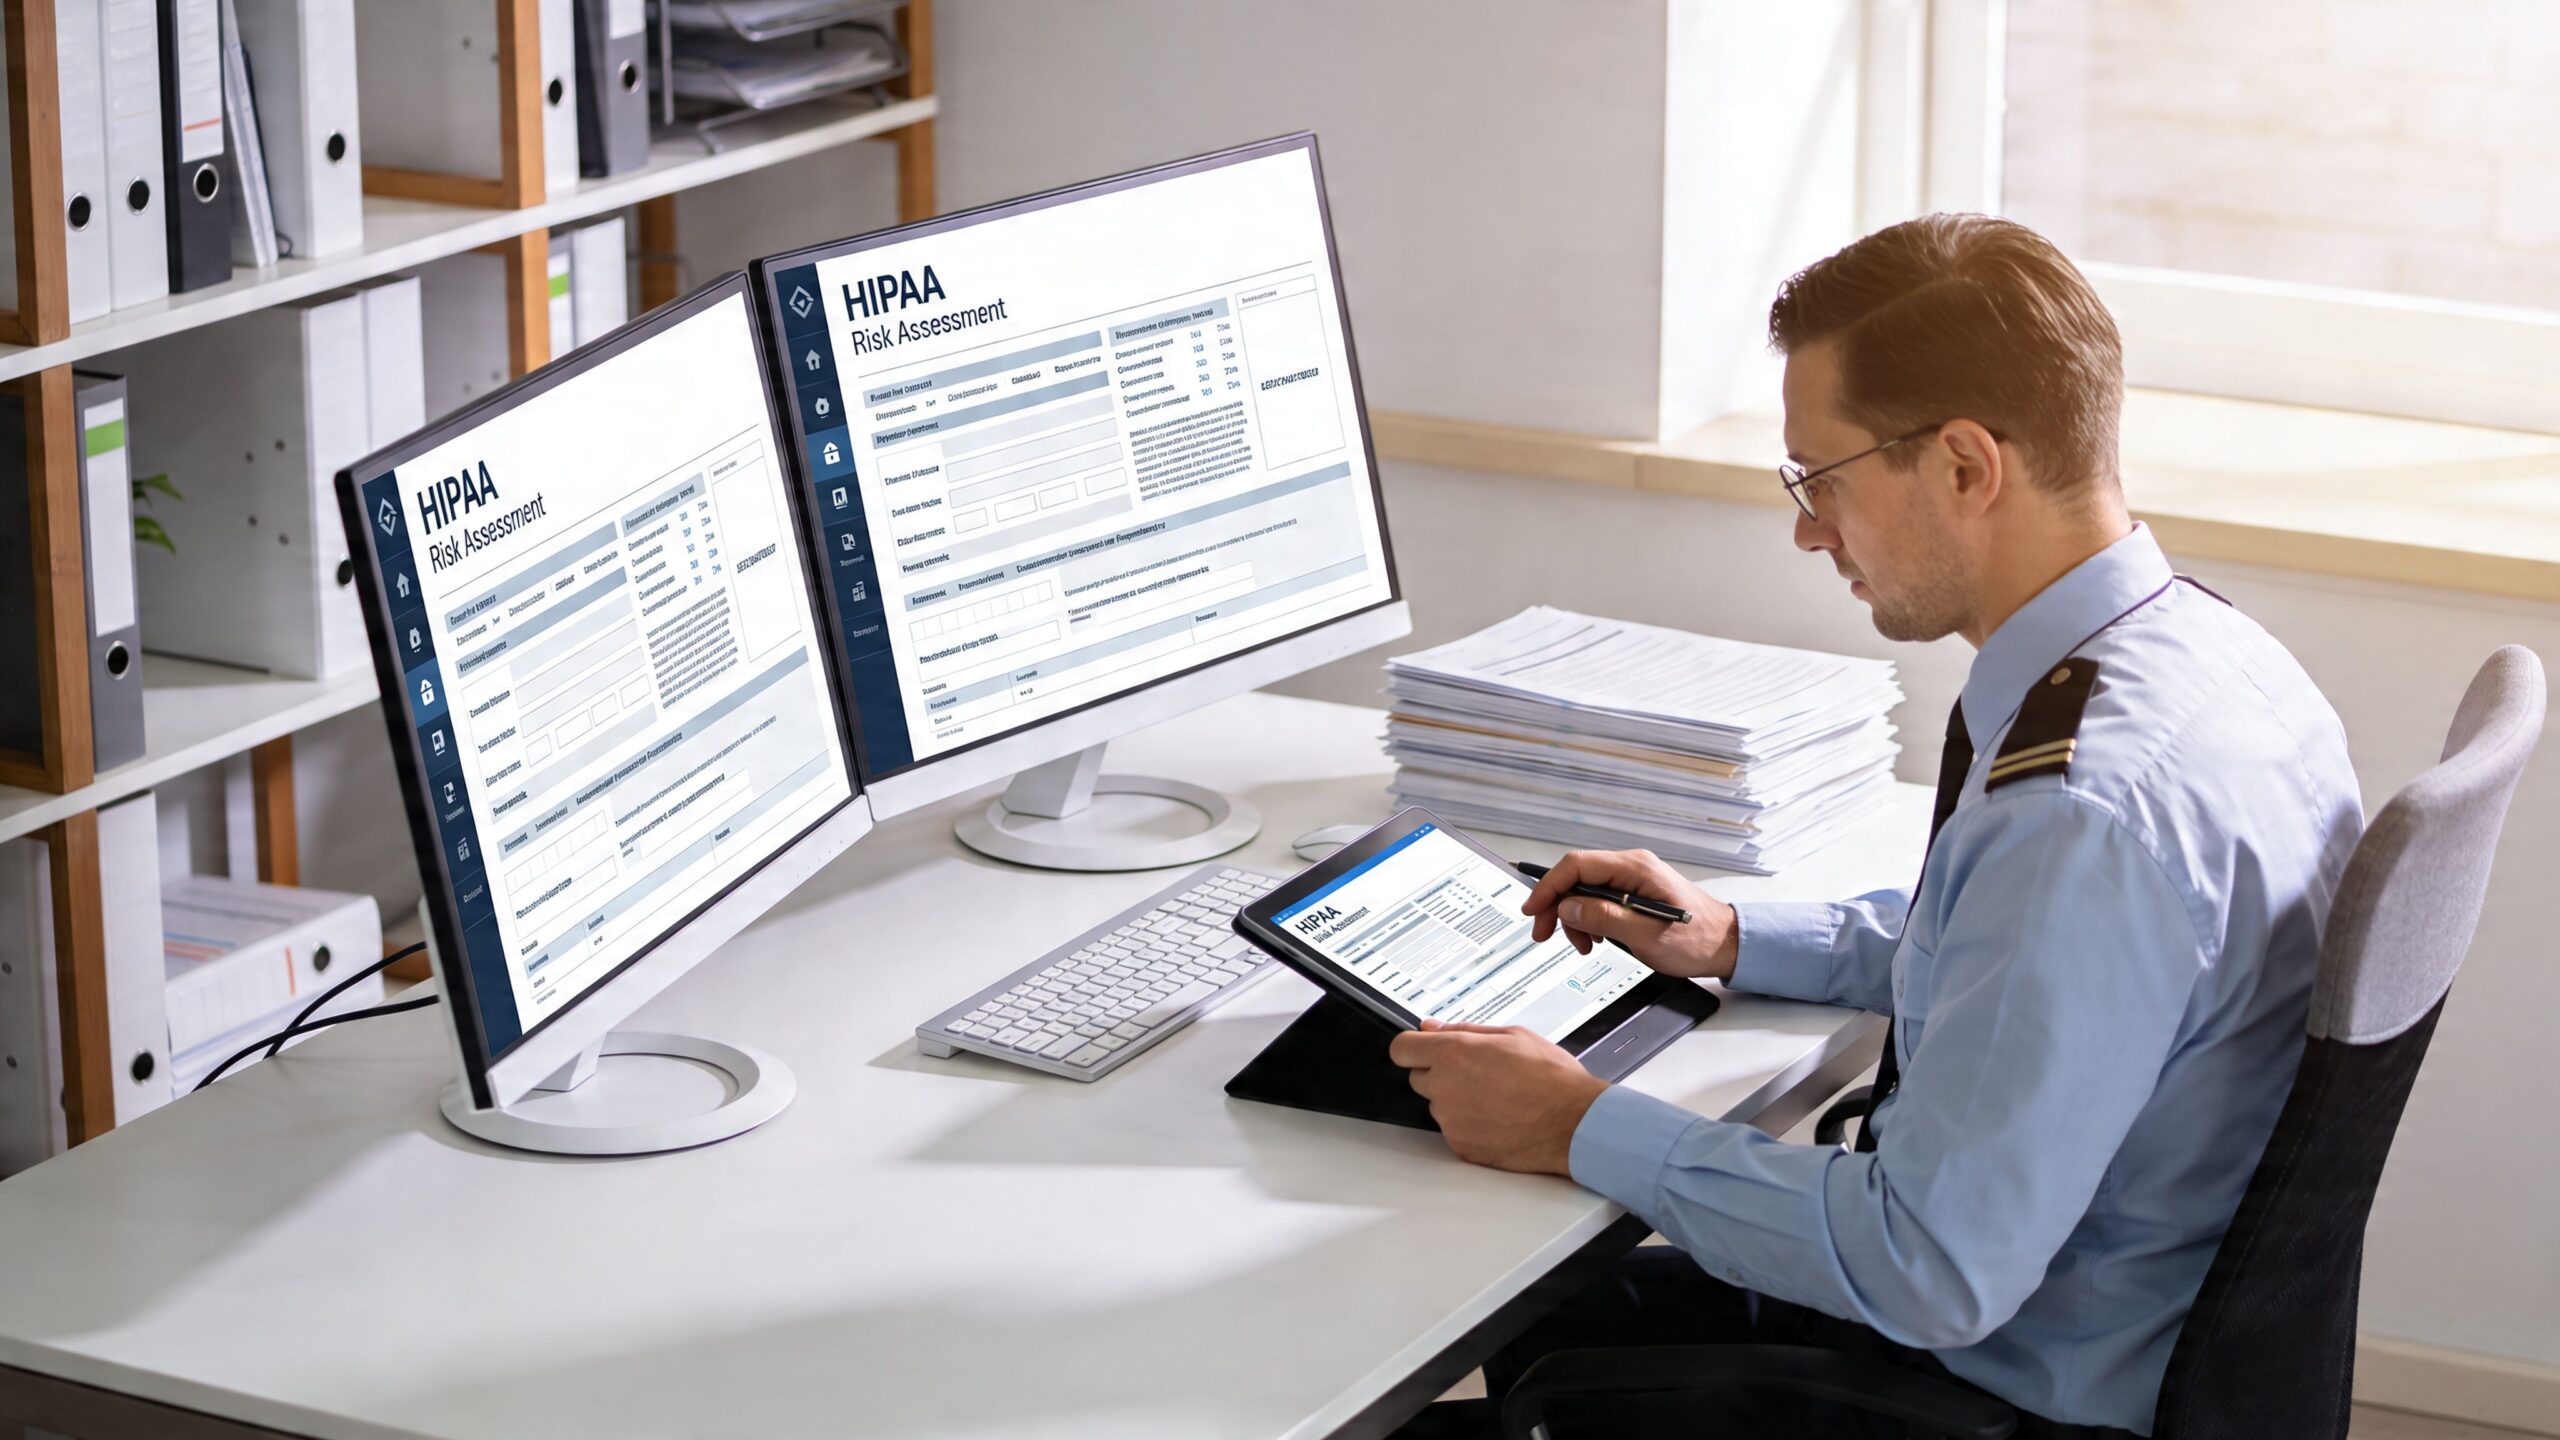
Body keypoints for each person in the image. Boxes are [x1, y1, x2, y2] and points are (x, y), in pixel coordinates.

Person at [1389, 215, 2363, 1438]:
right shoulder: (2213, 661)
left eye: (1822, 479)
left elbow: (1929, 1268)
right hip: (2103, 1326)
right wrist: (1739, 936)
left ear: (1964, 465)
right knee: (1540, 1300)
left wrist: (1579, 1123)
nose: (1807, 529)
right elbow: (2044, 973)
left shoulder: (2085, 814)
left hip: (1988, 1385)